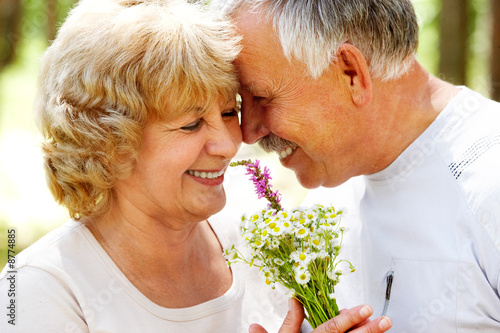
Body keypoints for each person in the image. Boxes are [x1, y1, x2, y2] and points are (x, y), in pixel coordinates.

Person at [0, 1, 392, 332]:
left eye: (227, 111)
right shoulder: (41, 290)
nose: (228, 144)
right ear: (109, 143)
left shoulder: (259, 236)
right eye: (190, 124)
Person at [212, 0, 500, 332]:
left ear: (351, 73)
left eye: (261, 97)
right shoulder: (322, 210)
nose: (248, 132)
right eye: (239, 103)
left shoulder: (489, 179)